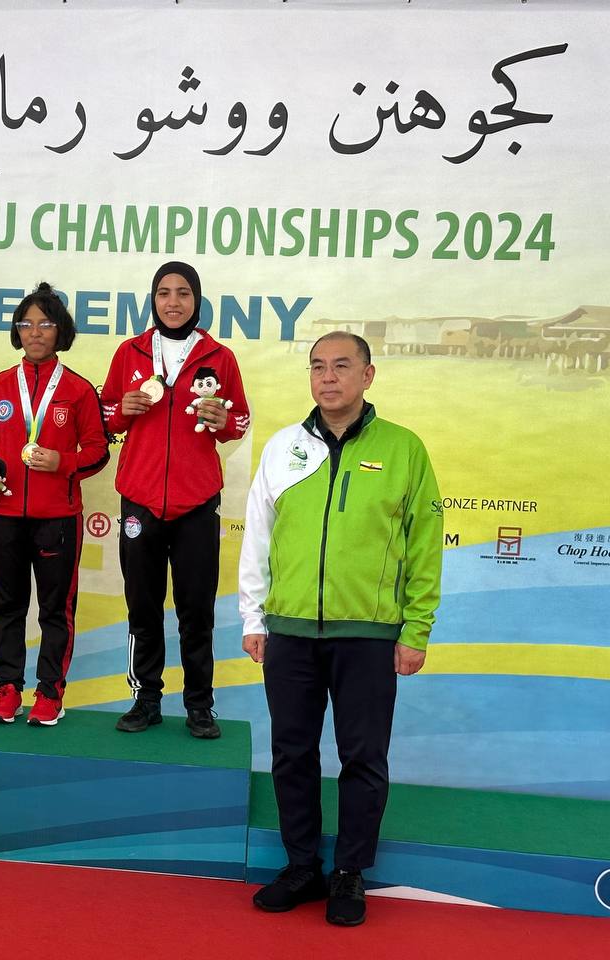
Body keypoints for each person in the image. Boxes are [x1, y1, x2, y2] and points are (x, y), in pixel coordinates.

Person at [238, 331, 442, 926]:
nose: (328, 377)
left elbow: (424, 546)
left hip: (369, 634)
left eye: (342, 366)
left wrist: (416, 629)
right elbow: (258, 536)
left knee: (364, 758)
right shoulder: (284, 447)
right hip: (290, 631)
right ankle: (302, 865)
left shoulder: (404, 449)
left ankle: (350, 872)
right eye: (318, 366)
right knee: (291, 753)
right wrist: (254, 616)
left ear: (367, 376)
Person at [100, 261, 250, 737]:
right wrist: (122, 410)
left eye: (183, 293)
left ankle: (200, 705)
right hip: (140, 498)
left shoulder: (219, 357)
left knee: (196, 611)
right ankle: (146, 700)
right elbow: (106, 415)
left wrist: (222, 421)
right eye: (164, 293)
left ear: (197, 300)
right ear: (153, 300)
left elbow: (240, 422)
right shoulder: (130, 352)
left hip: (197, 501)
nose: (173, 302)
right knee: (142, 608)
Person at [0, 283, 109, 726]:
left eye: (45, 323)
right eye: (25, 324)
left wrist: (62, 462)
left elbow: (98, 451)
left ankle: (50, 693)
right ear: (17, 332)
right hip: (2, 516)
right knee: (6, 607)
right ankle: (7, 689)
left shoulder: (79, 390)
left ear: (60, 330)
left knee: (54, 611)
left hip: (57, 519)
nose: (35, 332)